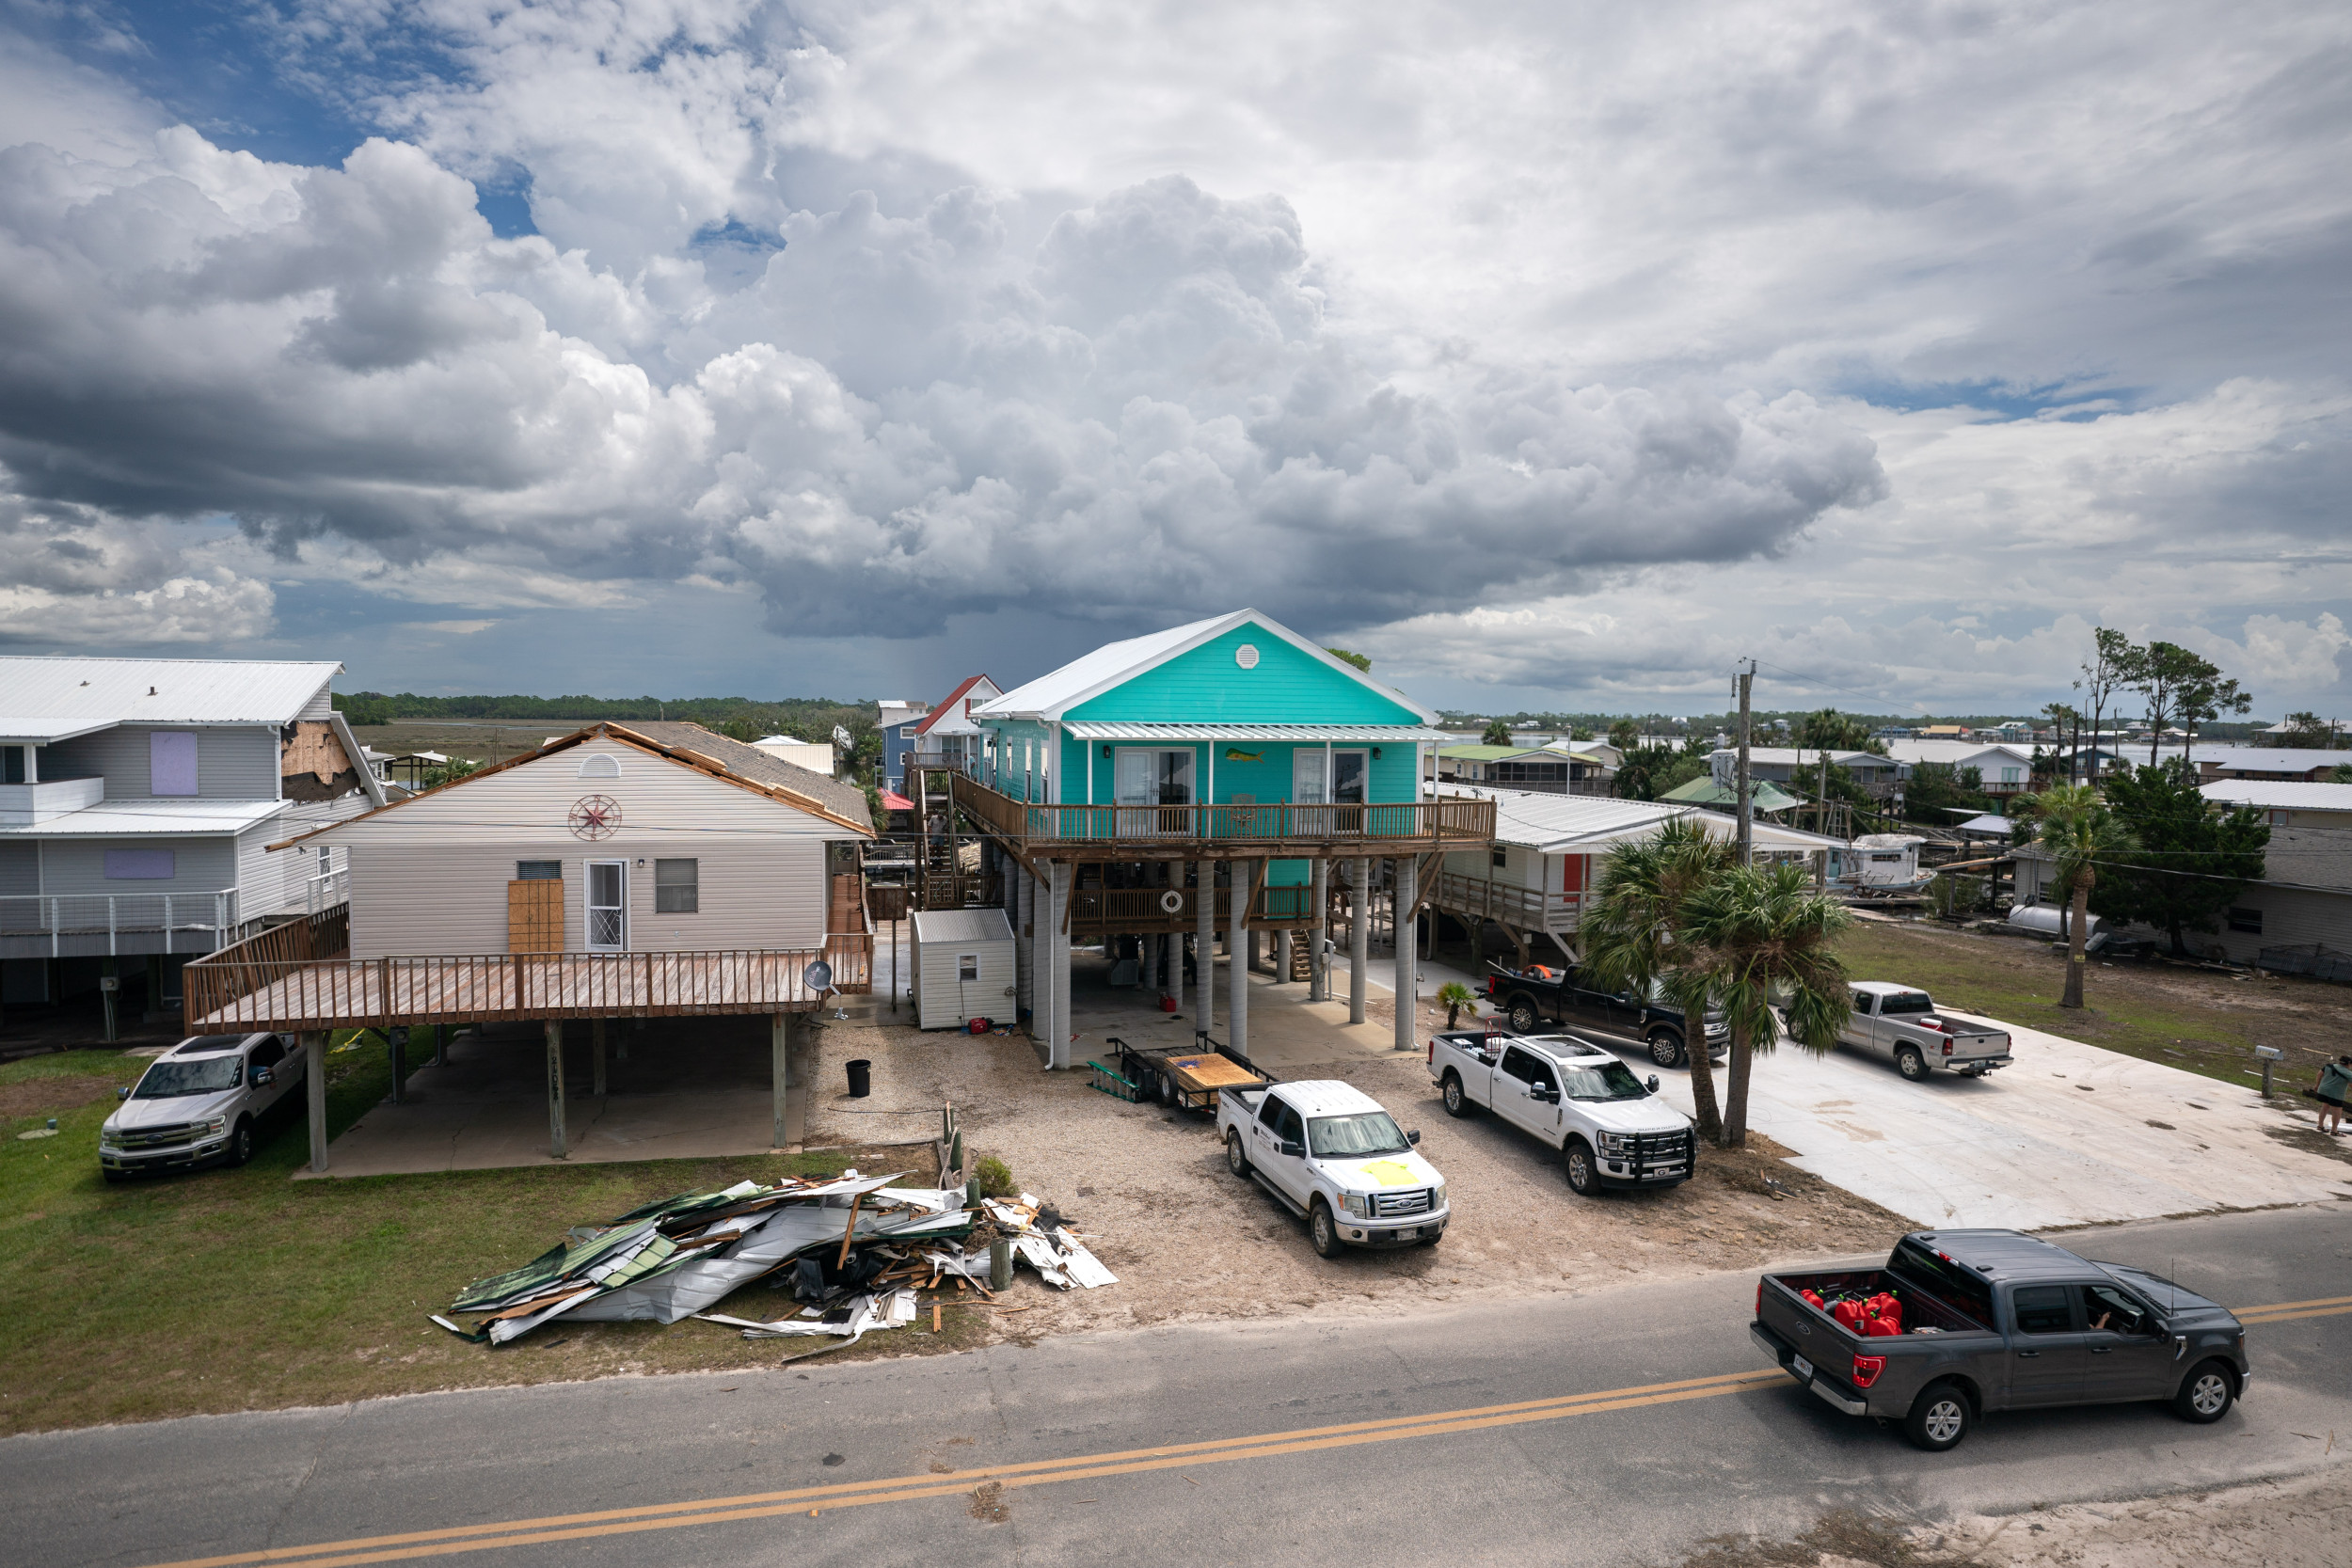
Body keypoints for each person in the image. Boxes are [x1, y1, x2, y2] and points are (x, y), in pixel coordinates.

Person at [2313, 1054, 2352, 1136]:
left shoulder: (2329, 1066)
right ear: (2348, 1063)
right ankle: (2334, 1130)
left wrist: (2317, 1085)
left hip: (2323, 1091)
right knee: (2337, 1112)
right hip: (2335, 1094)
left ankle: (2320, 1125)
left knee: (2325, 1107)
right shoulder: (2348, 1073)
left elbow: (2319, 1074)